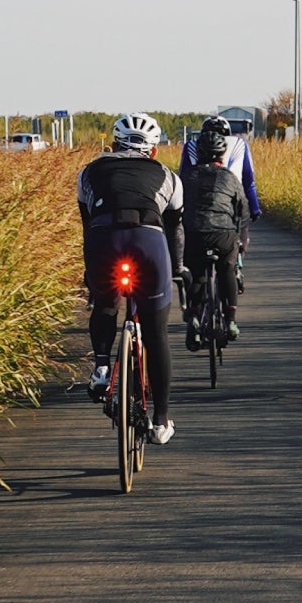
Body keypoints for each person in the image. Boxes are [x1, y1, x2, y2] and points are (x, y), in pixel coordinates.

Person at [78, 112, 183, 444]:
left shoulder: (90, 171)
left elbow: (87, 222)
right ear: (153, 151)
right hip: (148, 242)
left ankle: (102, 367)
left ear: (113, 143)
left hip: (103, 240)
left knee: (106, 303)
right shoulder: (169, 176)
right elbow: (175, 230)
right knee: (156, 334)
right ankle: (162, 419)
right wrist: (177, 268)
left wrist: (89, 271)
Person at [179, 120, 250, 349]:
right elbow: (243, 210)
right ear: (222, 154)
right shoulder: (230, 177)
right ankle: (230, 321)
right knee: (227, 270)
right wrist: (240, 236)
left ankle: (195, 316)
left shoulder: (186, 177)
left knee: (197, 274)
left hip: (194, 232)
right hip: (223, 234)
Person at [180, 115, 261, 233]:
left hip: (197, 210)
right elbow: (249, 181)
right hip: (230, 205)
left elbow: (182, 180)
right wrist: (255, 208)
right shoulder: (239, 144)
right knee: (241, 235)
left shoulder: (191, 145)